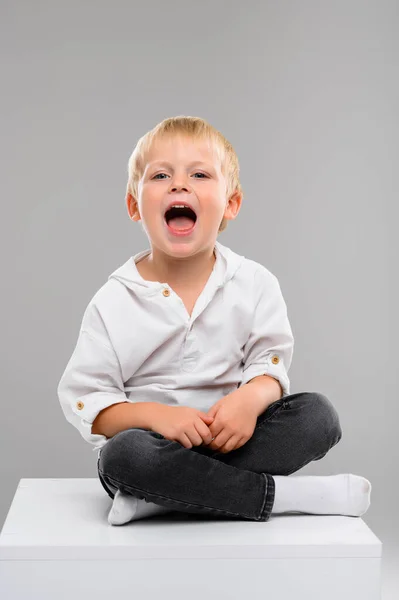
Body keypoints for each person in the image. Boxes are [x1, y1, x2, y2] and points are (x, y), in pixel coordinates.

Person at [57, 115, 371, 525]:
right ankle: (277, 497)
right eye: (161, 175)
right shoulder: (114, 299)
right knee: (124, 456)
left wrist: (248, 400)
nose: (179, 184)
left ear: (231, 204)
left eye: (200, 174)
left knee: (318, 416)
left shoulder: (255, 283)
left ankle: (166, 498)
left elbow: (268, 364)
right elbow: (90, 403)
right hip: (151, 449)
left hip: (232, 443)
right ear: (135, 205)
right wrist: (156, 416)